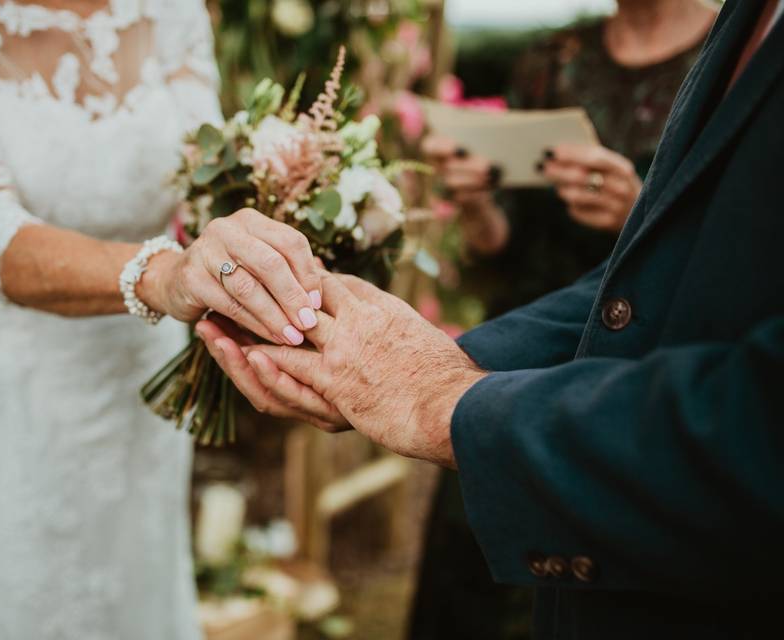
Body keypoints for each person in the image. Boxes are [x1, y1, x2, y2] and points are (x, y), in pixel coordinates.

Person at [201, 1, 784, 637]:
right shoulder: (574, 54)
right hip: (542, 376)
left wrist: (444, 400)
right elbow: (574, 269)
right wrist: (425, 363)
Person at [0, 0, 322, 637]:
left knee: (141, 597)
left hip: (144, 385)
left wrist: (292, 200)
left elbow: (206, 169)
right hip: (12, 395)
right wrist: (164, 275)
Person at [414, 1, 717, 635]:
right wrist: (474, 203)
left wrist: (639, 215)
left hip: (636, 361)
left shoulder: (727, 56)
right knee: (470, 572)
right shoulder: (552, 58)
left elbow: (732, 248)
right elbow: (503, 241)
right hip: (521, 344)